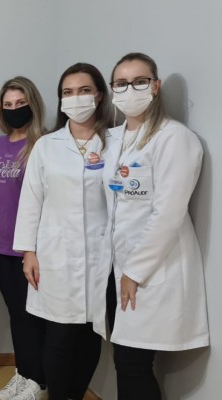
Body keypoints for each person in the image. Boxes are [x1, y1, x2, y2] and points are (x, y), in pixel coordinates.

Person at [101, 52, 208, 400]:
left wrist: (134, 271)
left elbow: (168, 214)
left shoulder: (175, 138)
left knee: (133, 363)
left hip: (152, 270)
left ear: (156, 86)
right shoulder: (114, 138)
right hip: (119, 265)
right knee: (126, 360)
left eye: (139, 82)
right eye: (121, 83)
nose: (129, 89)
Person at [14, 63, 113, 400]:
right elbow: (31, 200)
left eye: (84, 90)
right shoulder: (47, 145)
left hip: (101, 256)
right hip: (54, 255)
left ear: (99, 95)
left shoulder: (116, 142)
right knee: (58, 337)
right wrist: (28, 251)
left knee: (90, 334)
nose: (76, 98)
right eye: (67, 92)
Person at [0, 77, 48, 400]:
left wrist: (32, 248)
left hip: (28, 248)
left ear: (32, 104)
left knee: (32, 315)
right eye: (7, 105)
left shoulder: (43, 144)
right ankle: (24, 372)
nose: (14, 109)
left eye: (20, 103)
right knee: (16, 313)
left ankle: (39, 380)